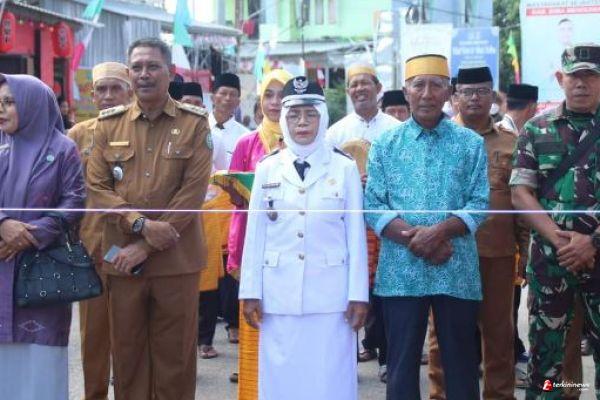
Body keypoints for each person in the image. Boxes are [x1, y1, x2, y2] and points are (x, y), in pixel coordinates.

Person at [86, 37, 212, 400]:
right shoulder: (108, 126)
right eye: (137, 67)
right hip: (122, 262)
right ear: (129, 74)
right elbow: (97, 188)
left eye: (153, 66)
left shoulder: (194, 124)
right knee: (128, 358)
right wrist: (139, 225)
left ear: (169, 72)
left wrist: (144, 246)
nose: (144, 74)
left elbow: (192, 193)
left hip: (176, 262)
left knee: (175, 360)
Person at [364, 54, 489, 400]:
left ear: (449, 92)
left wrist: (439, 233)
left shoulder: (470, 144)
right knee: (401, 365)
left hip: (456, 268)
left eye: (436, 85)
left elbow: (480, 204)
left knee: (462, 365)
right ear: (406, 92)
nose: (427, 93)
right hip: (401, 272)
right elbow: (373, 206)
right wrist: (418, 240)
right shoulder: (386, 145)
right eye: (418, 85)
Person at [239, 75, 369, 400]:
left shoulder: (344, 168)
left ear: (322, 117)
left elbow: (356, 236)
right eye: (294, 114)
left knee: (330, 379)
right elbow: (255, 235)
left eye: (310, 114)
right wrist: (250, 291)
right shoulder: (267, 168)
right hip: (278, 294)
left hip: (331, 297)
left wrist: (358, 294)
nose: (302, 122)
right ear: (283, 118)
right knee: (281, 379)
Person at [427, 65, 529, 400]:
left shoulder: (511, 143)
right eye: (467, 92)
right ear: (454, 97)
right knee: (443, 337)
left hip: (496, 253)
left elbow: (520, 200)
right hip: (448, 253)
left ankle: (499, 395)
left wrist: (525, 250)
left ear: (493, 97)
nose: (475, 98)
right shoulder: (437, 139)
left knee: (499, 335)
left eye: (482, 91)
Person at [511, 43, 600, 399]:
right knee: (546, 360)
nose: (581, 83)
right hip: (550, 262)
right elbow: (520, 193)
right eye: (574, 76)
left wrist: (591, 242)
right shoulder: (536, 129)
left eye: (590, 76)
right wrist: (559, 239)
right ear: (560, 79)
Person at [0, 74, 85, 398]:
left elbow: (75, 202)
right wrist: (3, 224)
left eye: (10, 102)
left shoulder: (62, 150)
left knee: (41, 366)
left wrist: (28, 234)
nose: (1, 110)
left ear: (33, 104)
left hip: (42, 273)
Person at [68, 61, 133, 400]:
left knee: (131, 336)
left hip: (133, 249)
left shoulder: (142, 131)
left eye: (115, 88)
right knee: (93, 336)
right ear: (92, 95)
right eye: (101, 90)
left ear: (129, 92)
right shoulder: (77, 135)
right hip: (91, 248)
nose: (108, 96)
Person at [226, 68, 292, 393]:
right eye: (269, 95)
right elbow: (235, 197)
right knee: (255, 317)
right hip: (255, 241)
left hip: (293, 244)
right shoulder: (246, 143)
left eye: (282, 95)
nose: (275, 102)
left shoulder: (305, 142)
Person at [326, 63, 400, 147]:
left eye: (365, 83)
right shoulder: (335, 134)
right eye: (354, 85)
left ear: (378, 88)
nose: (359, 88)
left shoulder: (397, 129)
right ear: (348, 92)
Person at [210, 73, 250, 171]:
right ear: (213, 98)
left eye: (232, 94)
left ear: (238, 102)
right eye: (223, 93)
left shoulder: (245, 137)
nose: (227, 98)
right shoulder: (198, 128)